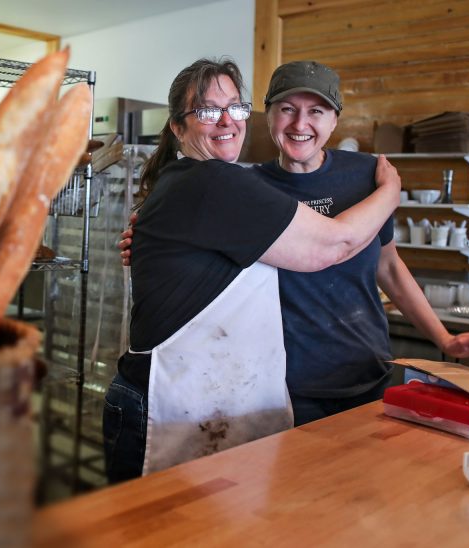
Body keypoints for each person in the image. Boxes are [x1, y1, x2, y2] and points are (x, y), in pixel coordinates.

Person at [119, 60, 469, 432]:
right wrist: (392, 191)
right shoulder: (248, 185)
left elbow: (388, 265)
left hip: (369, 372)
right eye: (287, 109)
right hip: (283, 387)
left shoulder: (364, 176)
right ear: (267, 117)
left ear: (335, 120)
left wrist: (445, 338)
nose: (300, 124)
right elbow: (329, 245)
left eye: (317, 111)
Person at [103, 57, 401, 484]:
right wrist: (391, 190)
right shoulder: (214, 182)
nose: (226, 121)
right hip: (167, 405)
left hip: (190, 402)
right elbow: (334, 244)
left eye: (234, 108)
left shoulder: (198, 180)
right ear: (177, 127)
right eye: (207, 111)